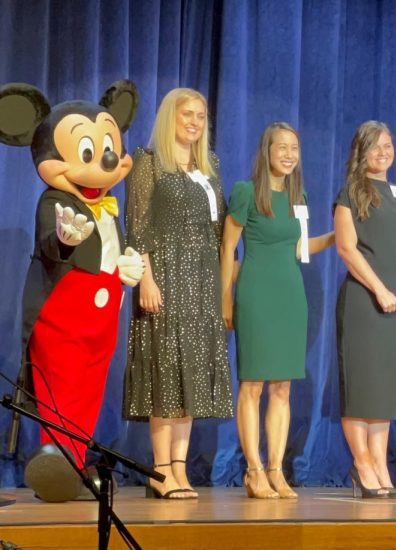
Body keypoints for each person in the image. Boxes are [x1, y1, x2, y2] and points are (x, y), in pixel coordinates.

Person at [124, 88, 234, 500]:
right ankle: (160, 471)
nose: (194, 122)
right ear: (170, 116)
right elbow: (137, 227)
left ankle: (180, 470)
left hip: (203, 281)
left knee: (189, 378)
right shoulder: (149, 163)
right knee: (164, 374)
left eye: (201, 116)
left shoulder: (210, 166)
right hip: (166, 276)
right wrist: (146, 279)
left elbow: (220, 230)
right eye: (187, 114)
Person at [220, 122, 334, 499]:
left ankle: (275, 469)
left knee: (282, 387)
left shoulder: (298, 198)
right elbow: (228, 249)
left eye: (294, 149)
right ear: (266, 151)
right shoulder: (245, 193)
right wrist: (225, 298)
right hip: (255, 293)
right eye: (281, 147)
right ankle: (253, 471)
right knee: (252, 385)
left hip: (290, 297)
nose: (288, 154)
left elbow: (300, 249)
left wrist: (338, 236)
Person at [334, 121, 396, 499]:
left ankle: (380, 463)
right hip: (365, 301)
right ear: (361, 151)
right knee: (362, 388)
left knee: (384, 391)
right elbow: (347, 249)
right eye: (375, 147)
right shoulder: (351, 192)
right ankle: (362, 464)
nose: (383, 152)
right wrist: (381, 289)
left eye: (388, 145)